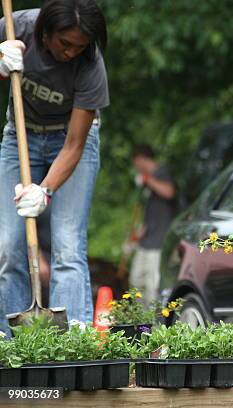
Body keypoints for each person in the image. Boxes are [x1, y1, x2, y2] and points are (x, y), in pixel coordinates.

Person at [0, 0, 108, 336]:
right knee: (7, 245)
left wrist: (44, 191)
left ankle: (73, 339)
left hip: (71, 141)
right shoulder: (17, 27)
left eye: (80, 45)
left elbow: (75, 144)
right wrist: (0, 62)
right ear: (46, 34)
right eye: (65, 43)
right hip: (20, 136)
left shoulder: (91, 66)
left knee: (68, 244)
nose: (72, 52)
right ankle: (13, 340)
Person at [128, 144, 177, 306]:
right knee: (136, 282)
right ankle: (142, 325)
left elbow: (169, 192)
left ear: (141, 159)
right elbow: (151, 215)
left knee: (152, 288)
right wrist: (137, 235)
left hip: (159, 243)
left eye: (136, 163)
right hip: (146, 242)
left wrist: (148, 179)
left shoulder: (162, 173)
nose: (136, 168)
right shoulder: (148, 184)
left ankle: (154, 326)